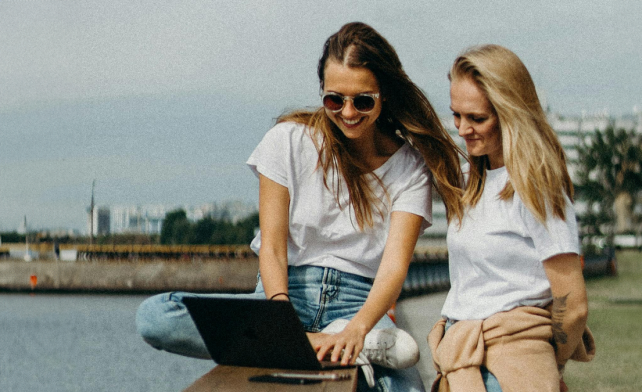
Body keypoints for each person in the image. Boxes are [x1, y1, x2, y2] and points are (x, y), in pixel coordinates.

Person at [136, 22, 465, 392]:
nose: (348, 112)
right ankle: (314, 347)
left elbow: (393, 268)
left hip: (360, 306)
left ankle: (339, 346)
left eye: (363, 100)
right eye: (334, 100)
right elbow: (274, 247)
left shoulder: (410, 167)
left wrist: (357, 329)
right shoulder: (288, 141)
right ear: (322, 93)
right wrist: (283, 322)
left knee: (409, 389)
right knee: (154, 316)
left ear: (384, 95)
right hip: (282, 295)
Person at [427, 45, 594, 392]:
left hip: (513, 368)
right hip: (461, 361)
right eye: (457, 115)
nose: (462, 129)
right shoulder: (470, 179)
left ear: (511, 113)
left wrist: (548, 362)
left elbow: (573, 305)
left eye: (477, 118)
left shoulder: (536, 187)